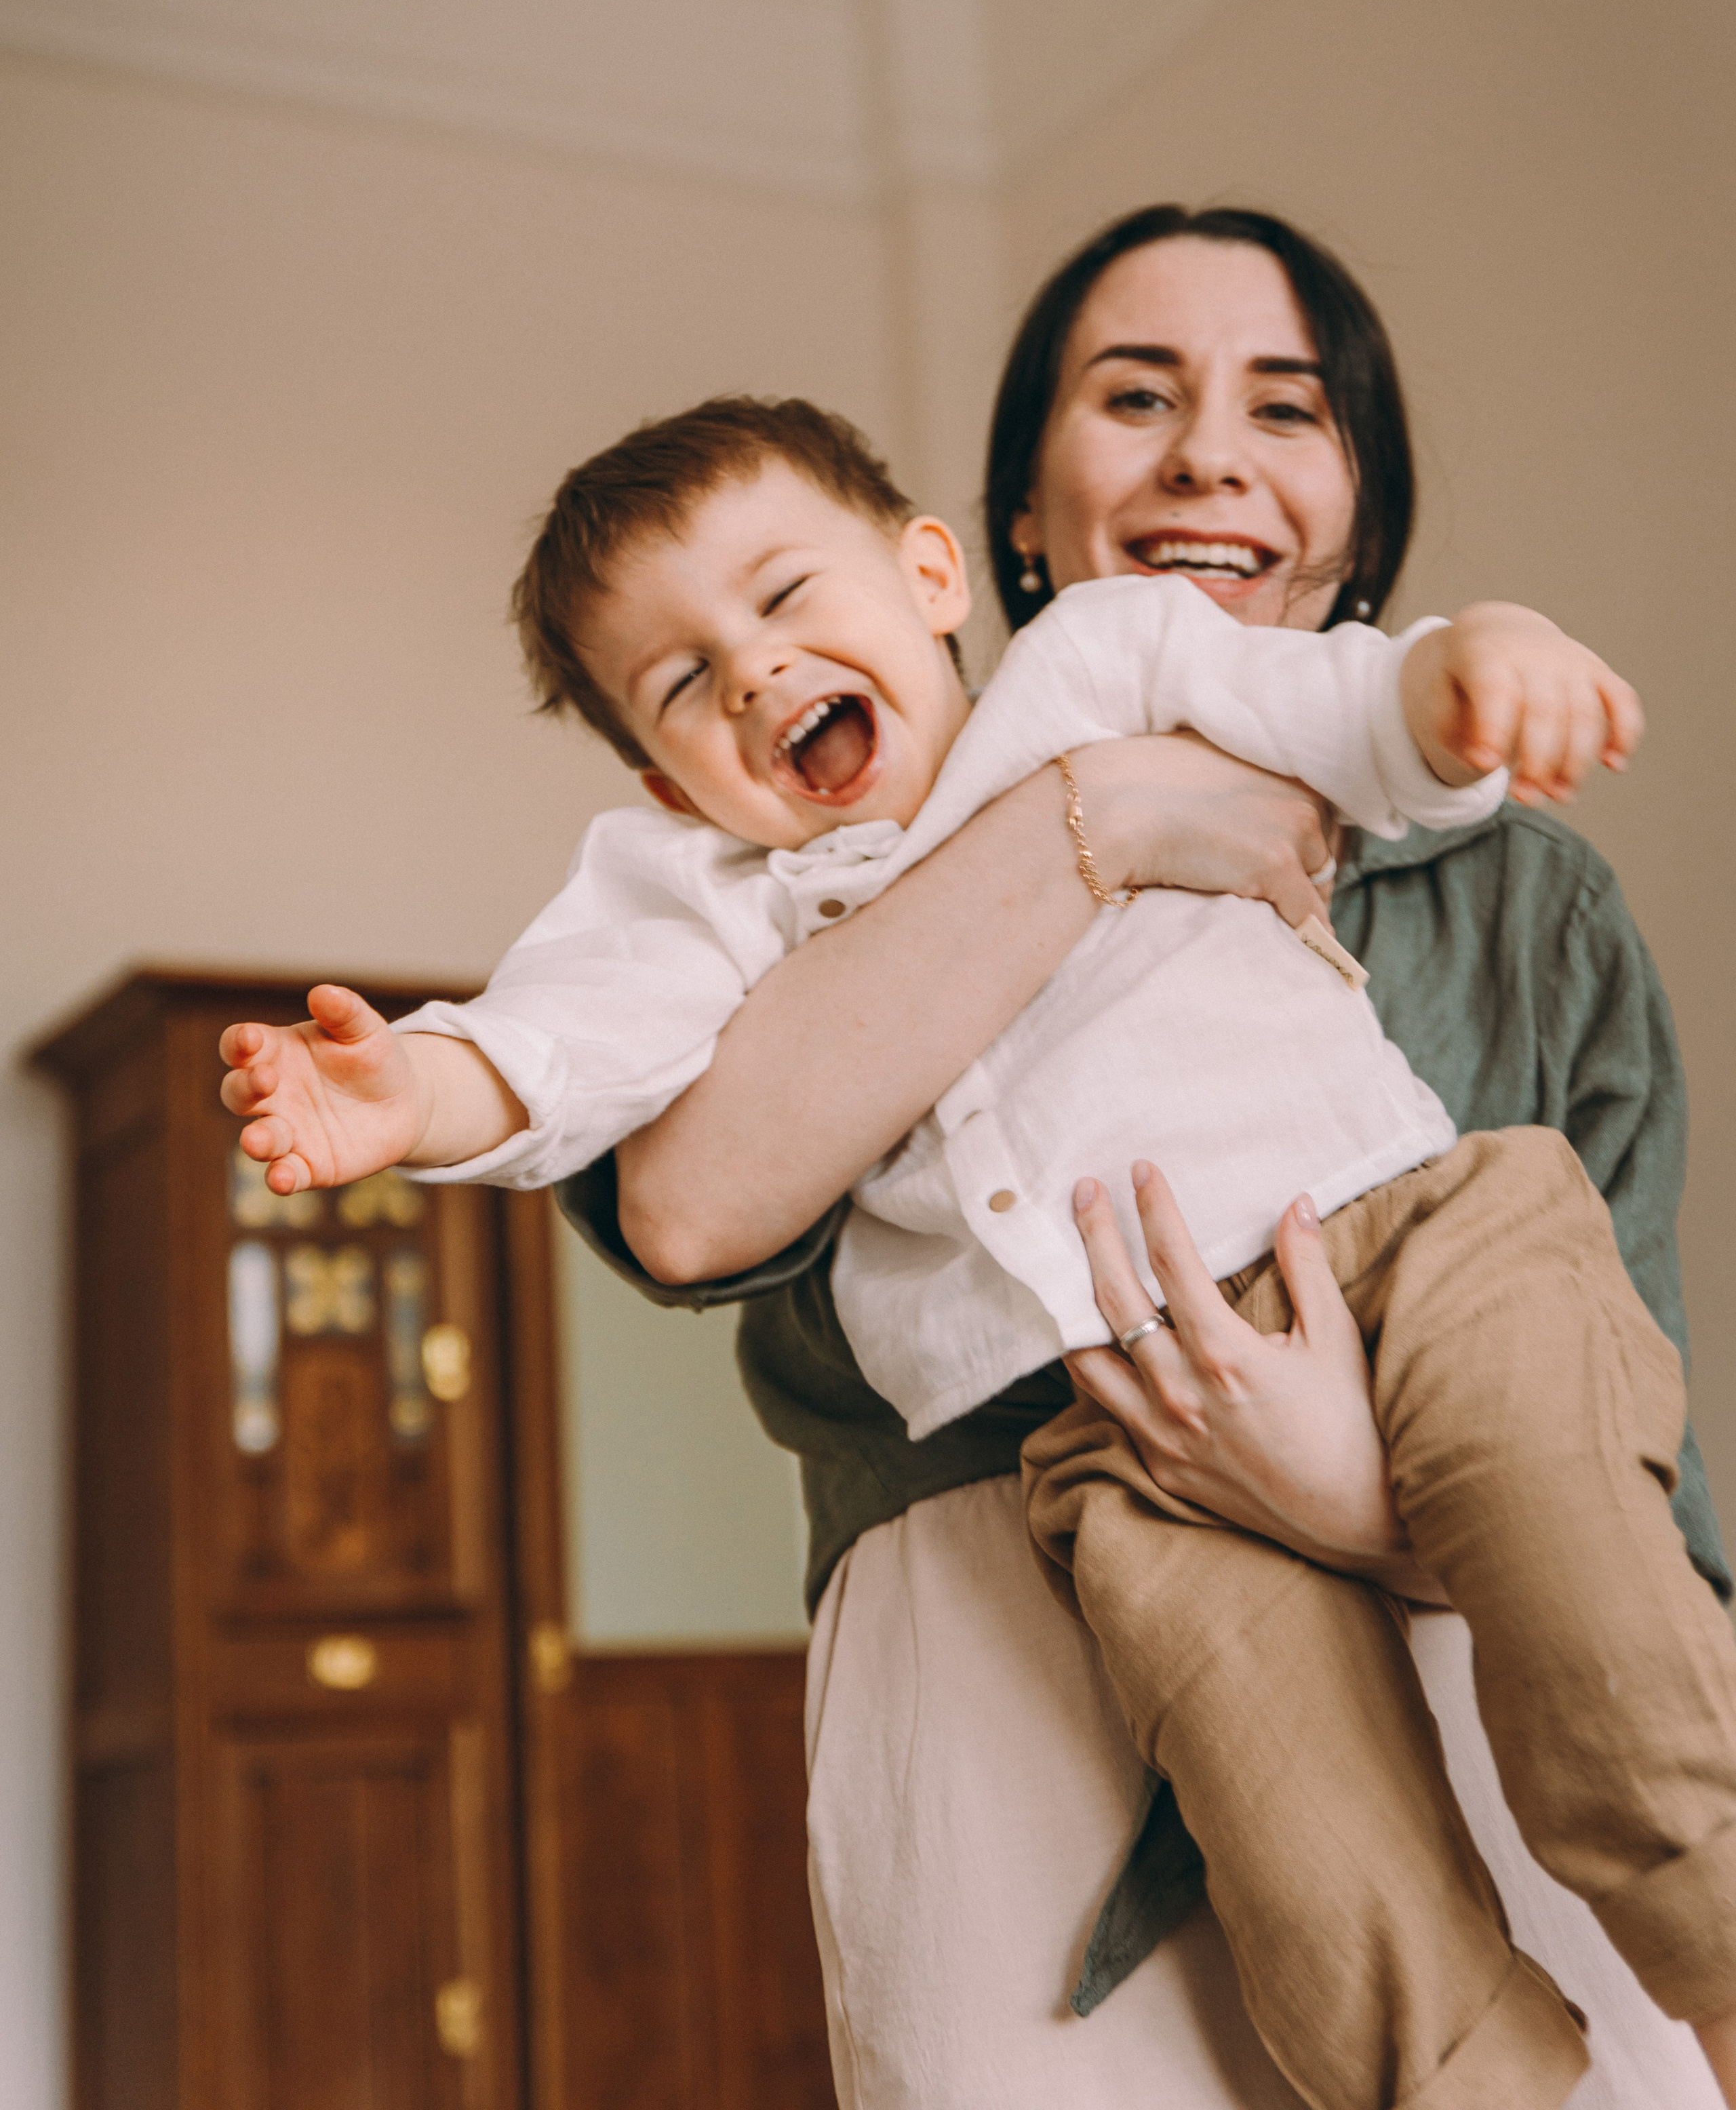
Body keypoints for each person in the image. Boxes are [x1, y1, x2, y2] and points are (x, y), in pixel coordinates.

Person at [220, 204, 1732, 2107]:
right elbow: (603, 1095)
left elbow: (1381, 713)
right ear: (1009, 506)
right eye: (1135, 394)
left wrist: (1485, 670)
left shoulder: (1176, 703)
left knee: (1634, 1783)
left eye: (1288, 405)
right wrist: (417, 1094)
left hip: (1458, 1438)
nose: (1208, 451)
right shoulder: (738, 888)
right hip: (1067, 1550)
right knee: (1346, 1913)